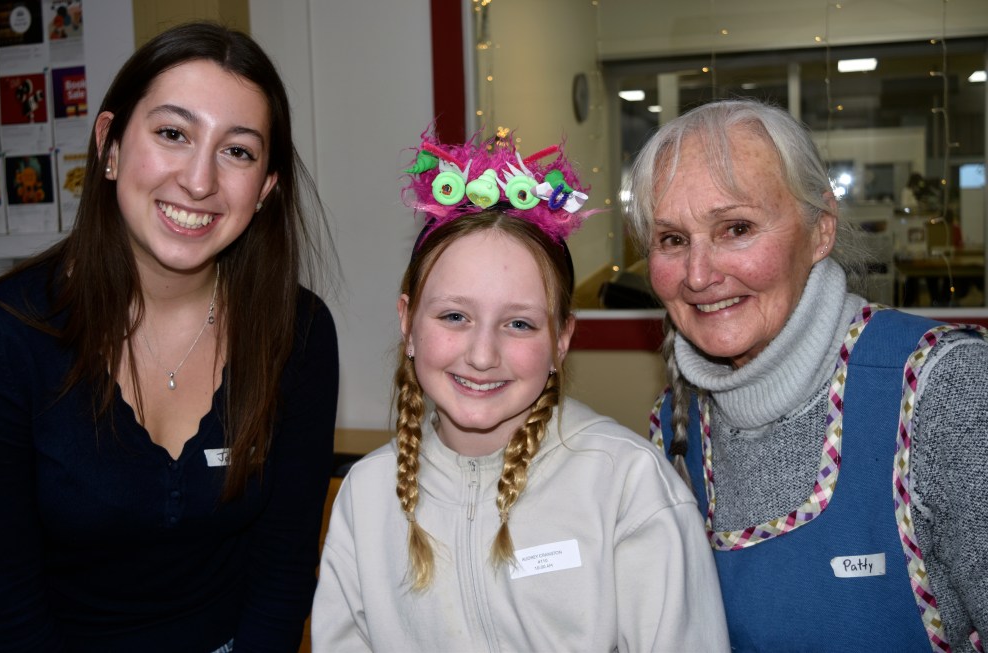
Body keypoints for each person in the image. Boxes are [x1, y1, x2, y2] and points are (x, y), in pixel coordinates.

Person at [0, 22, 338, 653]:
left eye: (237, 151)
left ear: (266, 189)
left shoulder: (296, 332)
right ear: (108, 145)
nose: (199, 180)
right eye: (172, 134)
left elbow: (283, 569)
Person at [311, 133, 729, 651]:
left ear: (562, 340)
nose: (482, 355)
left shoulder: (627, 486)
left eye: (519, 324)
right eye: (454, 316)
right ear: (408, 321)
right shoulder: (367, 495)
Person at [625, 99, 988, 652]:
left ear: (821, 230)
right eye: (673, 239)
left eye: (736, 228)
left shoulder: (944, 388)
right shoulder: (673, 426)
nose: (697, 276)